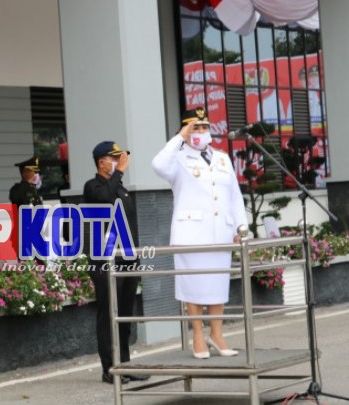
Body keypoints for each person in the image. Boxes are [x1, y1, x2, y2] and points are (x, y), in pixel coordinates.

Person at [151, 107, 248, 359]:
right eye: (196, 127)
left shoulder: (223, 159)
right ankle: (197, 334)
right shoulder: (177, 159)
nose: (201, 131)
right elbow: (157, 164)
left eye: (205, 127)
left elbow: (234, 196)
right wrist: (181, 136)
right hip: (190, 233)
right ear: (184, 130)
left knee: (217, 283)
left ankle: (217, 334)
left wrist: (242, 226)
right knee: (192, 284)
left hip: (220, 232)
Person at [83, 141, 149, 385]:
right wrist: (119, 171)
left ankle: (125, 365)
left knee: (124, 315)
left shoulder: (120, 189)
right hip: (105, 261)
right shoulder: (93, 187)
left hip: (127, 259)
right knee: (108, 315)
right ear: (102, 162)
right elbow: (103, 200)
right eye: (114, 158)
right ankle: (109, 368)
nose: (119, 162)